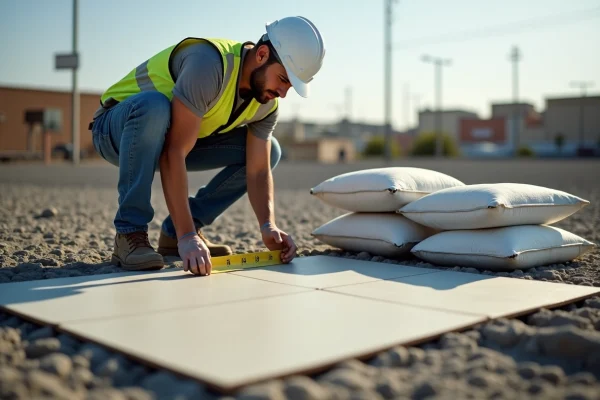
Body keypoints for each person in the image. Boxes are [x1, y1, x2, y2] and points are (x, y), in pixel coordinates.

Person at [88, 16, 326, 276]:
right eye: (282, 79)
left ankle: (171, 234)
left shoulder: (266, 104)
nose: (283, 92)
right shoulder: (210, 66)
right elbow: (174, 153)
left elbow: (258, 171)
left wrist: (268, 225)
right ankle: (129, 234)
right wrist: (188, 236)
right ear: (261, 54)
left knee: (272, 151)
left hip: (169, 140)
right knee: (153, 106)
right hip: (116, 130)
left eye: (290, 85)